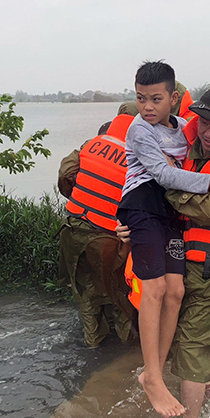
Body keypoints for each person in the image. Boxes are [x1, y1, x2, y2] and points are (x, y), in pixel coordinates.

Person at [116, 61, 210, 418]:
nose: (148, 107)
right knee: (153, 289)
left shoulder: (185, 127)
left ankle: (153, 368)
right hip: (144, 206)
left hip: (169, 214)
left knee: (175, 292)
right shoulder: (140, 130)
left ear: (174, 98)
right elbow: (162, 174)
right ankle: (153, 377)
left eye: (156, 99)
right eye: (141, 99)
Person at [58, 112, 138, 348]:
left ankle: (93, 345)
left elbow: (65, 173)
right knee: (120, 293)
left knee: (87, 292)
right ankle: (125, 353)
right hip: (108, 237)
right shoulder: (140, 157)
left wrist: (77, 195)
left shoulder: (91, 146)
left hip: (72, 229)